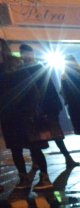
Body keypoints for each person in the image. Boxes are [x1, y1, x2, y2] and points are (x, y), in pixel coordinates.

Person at [0, 41, 55, 190]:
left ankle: (45, 177)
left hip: (24, 113)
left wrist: (30, 110)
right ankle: (23, 177)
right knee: (15, 147)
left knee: (34, 145)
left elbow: (32, 90)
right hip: (7, 115)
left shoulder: (16, 66)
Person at [19, 43, 79, 170]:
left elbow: (50, 88)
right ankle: (39, 161)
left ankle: (67, 158)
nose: (27, 56)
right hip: (35, 108)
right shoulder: (24, 69)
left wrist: (55, 105)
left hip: (47, 106)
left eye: (28, 53)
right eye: (24, 54)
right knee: (36, 138)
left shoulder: (38, 67)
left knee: (55, 134)